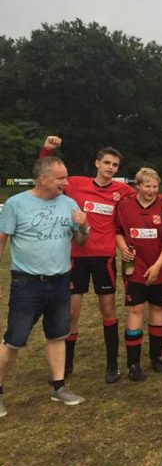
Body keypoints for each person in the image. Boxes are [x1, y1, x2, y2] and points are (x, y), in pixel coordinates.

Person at [41, 136, 137, 383]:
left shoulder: (121, 190)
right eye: (107, 163)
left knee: (108, 309)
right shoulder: (77, 184)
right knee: (72, 313)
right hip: (76, 257)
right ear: (97, 163)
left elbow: (147, 192)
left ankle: (112, 364)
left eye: (115, 165)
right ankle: (67, 365)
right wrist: (47, 150)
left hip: (104, 257)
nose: (110, 168)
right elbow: (47, 173)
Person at [0, 156, 90, 417]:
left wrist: (83, 225)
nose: (66, 182)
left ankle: (59, 387)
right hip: (27, 284)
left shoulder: (69, 203)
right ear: (43, 179)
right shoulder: (16, 204)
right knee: (14, 340)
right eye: (61, 178)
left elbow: (82, 241)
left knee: (58, 335)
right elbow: (2, 241)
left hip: (61, 281)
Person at [115, 168, 162, 380]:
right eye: (147, 186)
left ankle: (156, 357)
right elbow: (118, 231)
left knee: (158, 308)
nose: (151, 190)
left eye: (155, 186)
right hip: (135, 268)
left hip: (159, 267)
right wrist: (122, 248)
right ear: (138, 186)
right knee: (136, 310)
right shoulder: (124, 205)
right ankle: (133, 364)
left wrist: (158, 266)